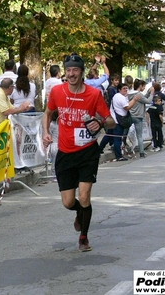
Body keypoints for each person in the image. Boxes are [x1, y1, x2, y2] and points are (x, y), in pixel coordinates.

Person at [42, 53, 115, 252]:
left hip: (87, 152)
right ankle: (80, 214)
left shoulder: (93, 94)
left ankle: (84, 237)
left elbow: (111, 121)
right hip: (65, 153)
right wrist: (46, 132)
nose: (71, 74)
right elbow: (48, 113)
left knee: (84, 197)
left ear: (82, 72)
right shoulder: (57, 91)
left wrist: (99, 122)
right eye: (68, 70)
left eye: (75, 70)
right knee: (68, 202)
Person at [99, 83, 140, 161]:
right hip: (118, 121)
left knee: (109, 135)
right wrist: (134, 100)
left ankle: (100, 149)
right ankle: (119, 156)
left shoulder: (118, 96)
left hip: (114, 119)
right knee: (117, 138)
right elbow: (127, 107)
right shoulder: (120, 97)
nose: (125, 90)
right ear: (119, 90)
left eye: (126, 88)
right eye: (124, 88)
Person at [128, 79, 151, 158]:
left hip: (131, 115)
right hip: (138, 116)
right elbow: (148, 101)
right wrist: (151, 93)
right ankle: (141, 152)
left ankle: (128, 148)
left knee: (127, 133)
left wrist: (148, 93)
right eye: (143, 86)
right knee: (139, 135)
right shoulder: (138, 94)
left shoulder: (130, 94)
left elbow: (143, 99)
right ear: (140, 86)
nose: (144, 88)